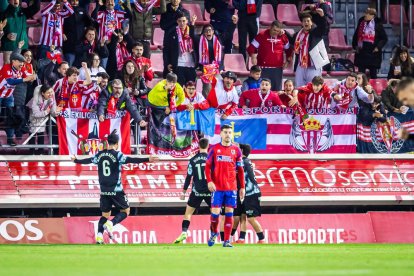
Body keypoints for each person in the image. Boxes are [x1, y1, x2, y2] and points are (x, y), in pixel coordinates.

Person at [72, 129, 159, 244]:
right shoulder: (117, 155)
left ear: (107, 143)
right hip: (116, 189)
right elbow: (131, 160)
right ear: (117, 144)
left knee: (105, 214)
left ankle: (99, 236)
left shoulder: (100, 154)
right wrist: (147, 159)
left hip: (104, 191)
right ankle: (111, 224)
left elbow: (88, 160)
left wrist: (76, 161)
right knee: (126, 210)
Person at [205, 124, 245, 248]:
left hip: (231, 188)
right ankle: (213, 232)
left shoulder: (236, 150)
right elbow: (207, 166)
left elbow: (241, 169)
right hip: (217, 188)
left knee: (229, 213)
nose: (228, 135)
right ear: (221, 134)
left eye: (229, 132)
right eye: (225, 132)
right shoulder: (214, 149)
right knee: (215, 214)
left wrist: (242, 187)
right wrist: (209, 181)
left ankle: (226, 241)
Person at [174, 138, 211, 243]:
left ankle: (184, 232)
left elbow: (188, 177)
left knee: (188, 213)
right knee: (215, 214)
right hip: (210, 190)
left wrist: (183, 192)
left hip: (197, 191)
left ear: (198, 146)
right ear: (208, 146)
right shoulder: (211, 159)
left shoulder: (192, 160)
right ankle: (213, 236)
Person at [0, 52, 36, 146]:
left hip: (9, 96)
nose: (22, 64)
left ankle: (10, 139)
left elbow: (29, 75)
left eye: (23, 62)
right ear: (13, 61)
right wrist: (25, 79)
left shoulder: (21, 68)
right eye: (20, 62)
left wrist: (32, 77)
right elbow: (10, 81)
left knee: (11, 117)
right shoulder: (6, 68)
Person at [232, 144, 265, 244]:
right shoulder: (247, 162)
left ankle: (262, 239)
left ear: (241, 150)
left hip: (251, 193)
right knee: (242, 215)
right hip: (245, 193)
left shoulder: (242, 162)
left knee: (251, 218)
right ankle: (241, 238)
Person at [247, 20, 292, 91]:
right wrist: (253, 56)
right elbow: (251, 47)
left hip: (277, 69)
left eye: (278, 31)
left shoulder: (283, 37)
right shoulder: (261, 35)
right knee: (263, 90)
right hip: (263, 68)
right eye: (274, 30)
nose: (276, 32)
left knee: (276, 90)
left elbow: (289, 50)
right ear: (270, 27)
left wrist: (287, 61)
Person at [293, 11, 329, 87]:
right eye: (304, 21)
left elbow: (324, 28)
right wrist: (284, 32)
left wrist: (323, 16)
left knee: (313, 87)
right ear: (302, 23)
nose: (306, 23)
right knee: (299, 88)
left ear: (311, 23)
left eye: (308, 21)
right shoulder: (298, 35)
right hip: (301, 65)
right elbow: (292, 42)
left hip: (313, 65)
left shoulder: (316, 32)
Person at [0, 0, 40, 64]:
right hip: (9, 48)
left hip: (23, 48)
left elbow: (36, 7)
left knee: (23, 72)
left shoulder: (23, 12)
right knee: (9, 71)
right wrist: (6, 35)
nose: (16, 0)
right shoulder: (3, 13)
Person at [163, 12, 197, 85]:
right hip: (178, 64)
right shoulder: (171, 33)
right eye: (179, 21)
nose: (182, 23)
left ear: (187, 21)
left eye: (184, 21)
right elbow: (166, 50)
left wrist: (193, 25)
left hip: (191, 64)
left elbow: (197, 45)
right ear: (177, 21)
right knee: (179, 88)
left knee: (191, 88)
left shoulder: (191, 31)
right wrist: (167, 63)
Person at [352, 8, 387, 80]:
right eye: (365, 13)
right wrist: (355, 46)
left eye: (367, 13)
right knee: (360, 75)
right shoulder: (361, 22)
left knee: (373, 75)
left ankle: (373, 89)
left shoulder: (378, 24)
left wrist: (378, 47)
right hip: (362, 52)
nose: (365, 15)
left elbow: (384, 38)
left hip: (373, 53)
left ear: (372, 16)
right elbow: (356, 35)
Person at [26, 84, 63, 154]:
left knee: (41, 134)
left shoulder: (51, 98)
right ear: (43, 93)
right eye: (48, 93)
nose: (50, 94)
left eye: (51, 92)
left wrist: (56, 112)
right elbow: (35, 114)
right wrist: (46, 112)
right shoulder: (35, 100)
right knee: (32, 135)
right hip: (33, 120)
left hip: (43, 120)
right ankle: (31, 153)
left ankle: (40, 152)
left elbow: (52, 112)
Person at [62, 0, 94, 66]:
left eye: (76, 0)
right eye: (72, 0)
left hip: (80, 44)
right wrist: (62, 33)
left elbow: (90, 23)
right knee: (68, 66)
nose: (74, 2)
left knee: (80, 67)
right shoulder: (64, 11)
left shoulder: (82, 10)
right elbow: (59, 23)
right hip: (69, 44)